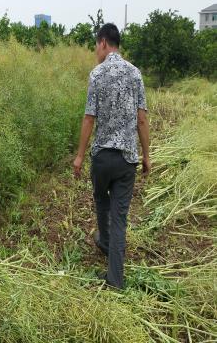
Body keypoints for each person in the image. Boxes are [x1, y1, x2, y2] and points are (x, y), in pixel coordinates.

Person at [72, 23, 150, 289]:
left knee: (100, 197)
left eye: (96, 45)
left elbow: (89, 118)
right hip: (127, 159)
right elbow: (142, 120)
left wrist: (80, 157)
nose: (96, 50)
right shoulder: (135, 74)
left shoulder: (97, 74)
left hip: (103, 158)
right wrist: (147, 156)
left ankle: (104, 241)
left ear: (103, 42)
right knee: (120, 217)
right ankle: (115, 280)